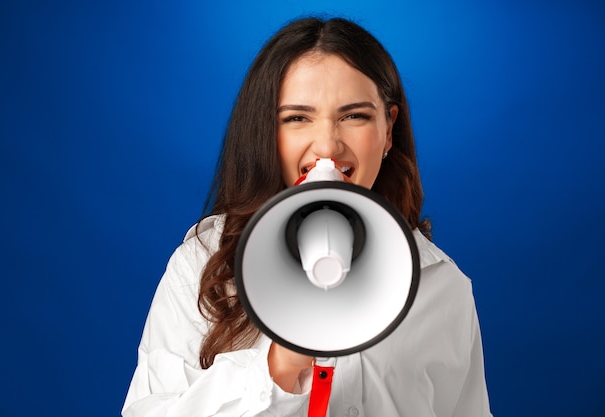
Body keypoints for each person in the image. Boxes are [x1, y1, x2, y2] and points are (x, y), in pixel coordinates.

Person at [122, 16, 493, 417]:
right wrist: (276, 368)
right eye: (297, 117)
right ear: (267, 132)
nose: (327, 145)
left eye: (355, 116)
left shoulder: (441, 287)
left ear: (389, 129)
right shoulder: (202, 266)